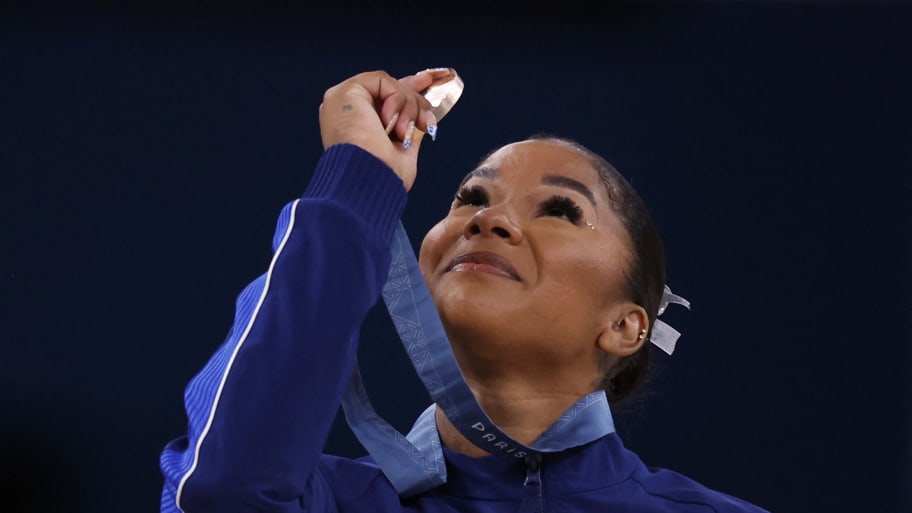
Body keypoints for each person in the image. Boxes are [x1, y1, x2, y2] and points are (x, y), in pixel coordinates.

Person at [159, 68, 770, 513]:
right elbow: (224, 493)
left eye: (559, 209)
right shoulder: (331, 502)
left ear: (626, 326)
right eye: (470, 199)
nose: (486, 220)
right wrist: (357, 182)